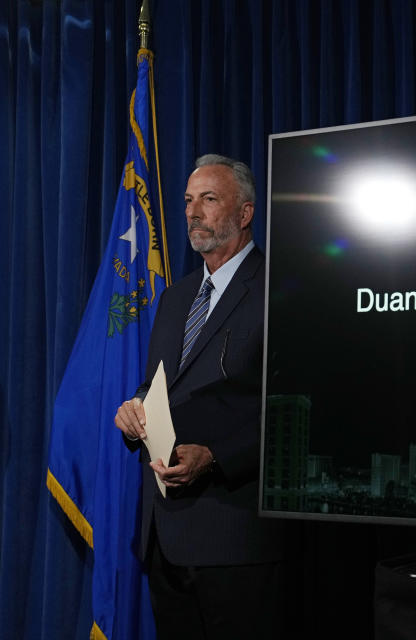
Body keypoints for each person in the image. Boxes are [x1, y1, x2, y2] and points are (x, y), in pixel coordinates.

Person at [114, 154, 283, 638]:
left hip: (236, 538)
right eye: (189, 200)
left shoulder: (280, 288)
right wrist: (135, 409)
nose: (193, 212)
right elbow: (158, 385)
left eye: (209, 199)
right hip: (164, 535)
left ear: (245, 213)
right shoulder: (175, 296)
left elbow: (296, 407)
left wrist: (215, 455)